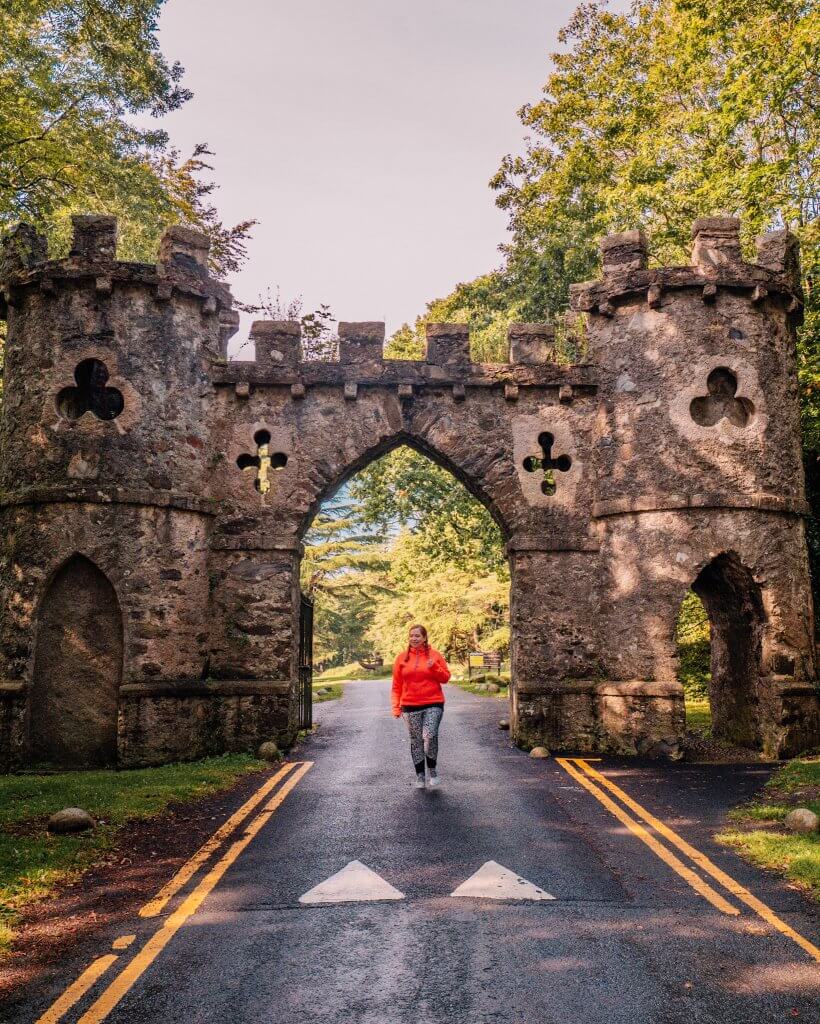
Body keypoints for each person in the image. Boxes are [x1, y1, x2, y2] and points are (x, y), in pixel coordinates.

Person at [391, 624, 451, 789]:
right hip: (409, 705)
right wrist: (396, 707)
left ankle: (432, 769)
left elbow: (445, 678)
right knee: (416, 740)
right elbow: (396, 685)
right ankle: (420, 776)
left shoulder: (435, 655)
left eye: (417, 635)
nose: (414, 638)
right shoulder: (401, 659)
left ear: (424, 638)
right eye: (411, 635)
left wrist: (434, 667)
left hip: (434, 703)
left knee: (430, 735)